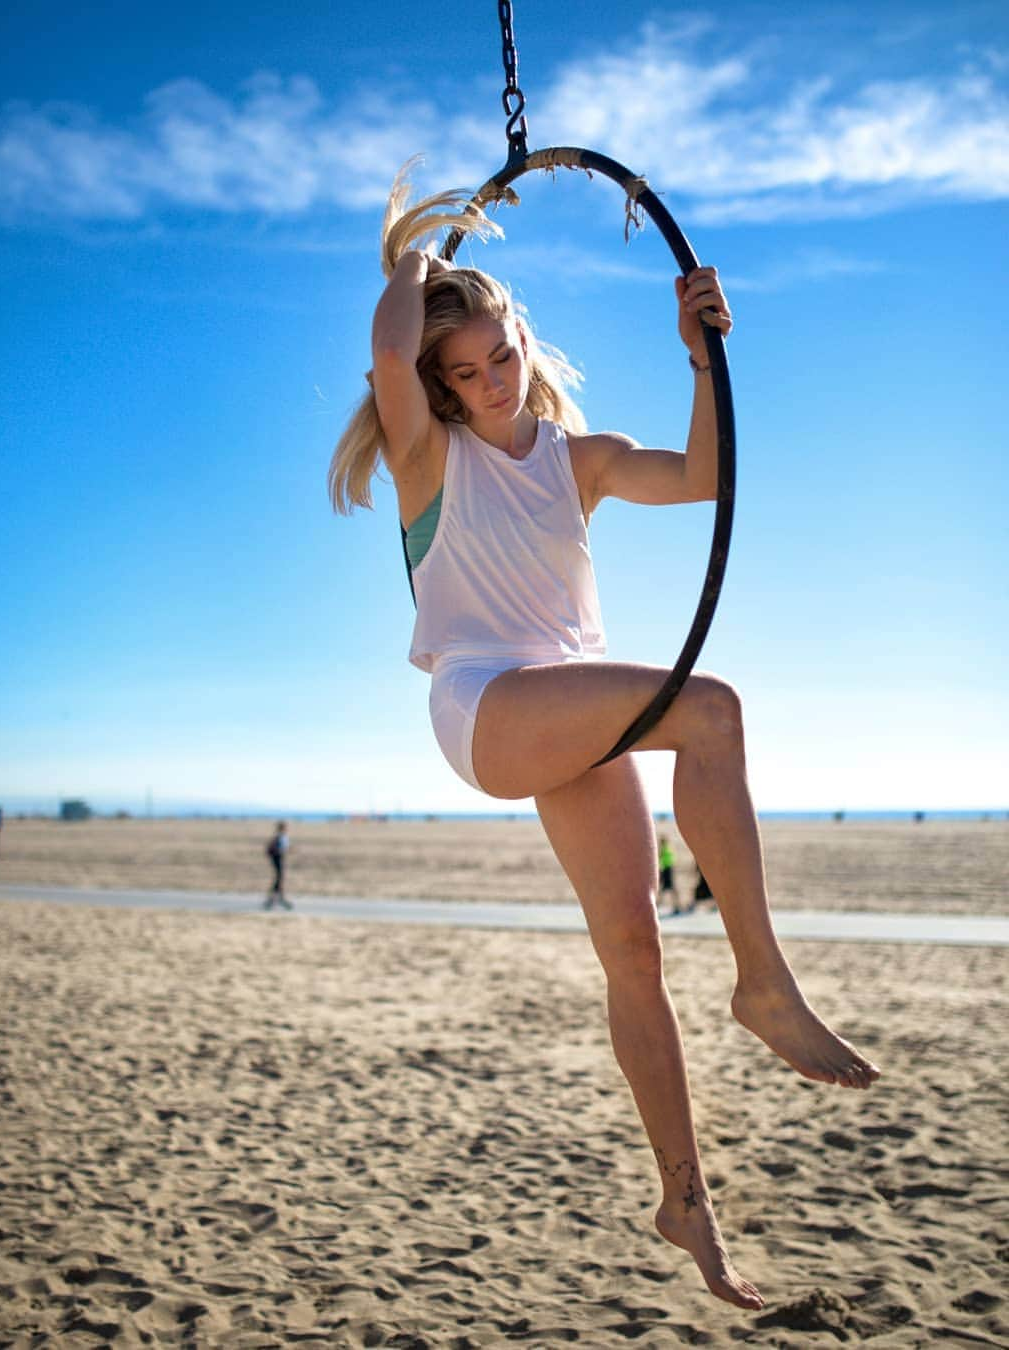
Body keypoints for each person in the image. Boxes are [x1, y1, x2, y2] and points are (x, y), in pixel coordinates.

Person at [329, 167, 880, 1312]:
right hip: (488, 708)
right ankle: (767, 981)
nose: (485, 384)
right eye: (460, 372)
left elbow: (706, 477)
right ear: (436, 380)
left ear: (526, 338)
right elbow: (390, 356)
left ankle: (687, 1202)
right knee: (710, 706)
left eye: (498, 357)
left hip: (574, 711)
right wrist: (418, 267)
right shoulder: (433, 457)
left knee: (634, 952)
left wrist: (698, 350)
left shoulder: (580, 462)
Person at [263, 821, 292, 911]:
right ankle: (276, 899)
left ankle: (275, 899)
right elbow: (282, 849)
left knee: (279, 879)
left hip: (277, 859)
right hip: (278, 859)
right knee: (279, 879)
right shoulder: (281, 837)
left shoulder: (279, 837)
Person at [658, 834, 679, 914]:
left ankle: (676, 905)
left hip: (667, 869)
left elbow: (663, 859)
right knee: (669, 889)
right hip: (668, 869)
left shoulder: (664, 849)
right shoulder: (667, 848)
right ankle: (676, 905)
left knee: (668, 889)